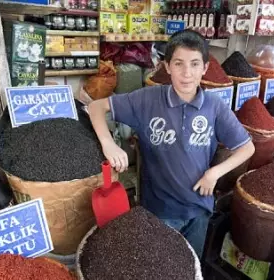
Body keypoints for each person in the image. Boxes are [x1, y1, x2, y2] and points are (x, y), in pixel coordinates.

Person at [88, 30, 255, 258]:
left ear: (205, 68)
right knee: (160, 274)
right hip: (159, 212)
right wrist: (108, 144)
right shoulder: (147, 99)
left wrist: (214, 173)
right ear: (167, 66)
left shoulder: (214, 106)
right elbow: (96, 107)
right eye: (179, 64)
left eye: (195, 64)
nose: (187, 73)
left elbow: (247, 147)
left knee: (191, 270)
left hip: (199, 210)